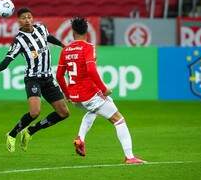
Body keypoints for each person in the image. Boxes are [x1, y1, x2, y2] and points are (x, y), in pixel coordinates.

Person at [56, 17, 145, 164]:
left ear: (72, 32)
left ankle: (80, 139)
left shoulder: (65, 50)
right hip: (89, 95)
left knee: (93, 111)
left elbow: (59, 76)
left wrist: (67, 94)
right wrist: (103, 89)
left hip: (75, 97)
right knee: (119, 120)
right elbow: (91, 69)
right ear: (86, 31)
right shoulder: (88, 47)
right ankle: (130, 157)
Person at [0, 7, 69, 152]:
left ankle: (31, 131)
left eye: (29, 17)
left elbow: (48, 37)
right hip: (33, 79)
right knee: (35, 112)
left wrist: (63, 45)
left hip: (48, 78)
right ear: (18, 20)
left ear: (32, 18)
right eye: (24, 18)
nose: (27, 20)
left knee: (64, 113)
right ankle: (12, 134)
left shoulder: (41, 28)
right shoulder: (19, 40)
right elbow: (8, 59)